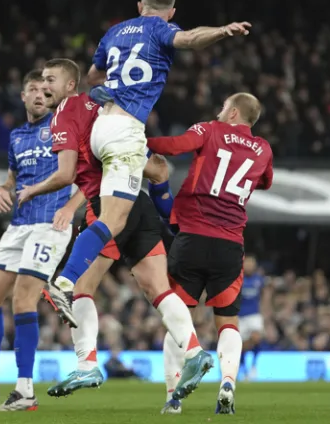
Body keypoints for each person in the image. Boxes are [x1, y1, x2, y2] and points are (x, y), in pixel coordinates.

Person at [47, 0, 250, 310]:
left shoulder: (115, 32)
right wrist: (223, 31)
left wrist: (109, 88)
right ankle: (65, 281)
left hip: (102, 125)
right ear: (170, 13)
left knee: (156, 169)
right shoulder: (161, 30)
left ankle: (178, 232)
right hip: (124, 129)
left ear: (139, 6)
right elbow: (190, 40)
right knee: (113, 219)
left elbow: (94, 77)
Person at [18, 58, 208, 402]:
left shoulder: (65, 114)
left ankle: (87, 363)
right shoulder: (109, 112)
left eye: (51, 80)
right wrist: (171, 220)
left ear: (71, 85)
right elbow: (159, 170)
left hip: (107, 206)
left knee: (81, 289)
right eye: (41, 80)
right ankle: (195, 352)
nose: (44, 86)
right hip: (140, 203)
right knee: (159, 290)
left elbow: (65, 174)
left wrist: (31, 190)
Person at [0, 70, 78, 412]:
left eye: (44, 90)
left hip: (50, 223)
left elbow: (83, 175)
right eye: (32, 90)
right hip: (19, 225)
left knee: (23, 300)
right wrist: (0, 189)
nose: (39, 94)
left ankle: (25, 391)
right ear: (22, 96)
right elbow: (11, 179)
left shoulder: (63, 127)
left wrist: (71, 207)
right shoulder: (18, 135)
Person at [146, 93, 273, 415]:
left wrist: (138, 140)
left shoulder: (210, 129)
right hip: (230, 246)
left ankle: (173, 399)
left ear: (231, 112)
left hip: (192, 239)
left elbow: (174, 146)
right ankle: (227, 384)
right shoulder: (264, 148)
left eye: (222, 107)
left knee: (178, 320)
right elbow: (266, 182)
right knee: (228, 322)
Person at [237, 255, 265, 381]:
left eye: (251, 263)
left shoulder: (259, 280)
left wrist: (265, 312)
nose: (249, 266)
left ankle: (254, 364)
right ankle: (243, 366)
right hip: (240, 315)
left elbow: (264, 296)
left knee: (257, 337)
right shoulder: (238, 279)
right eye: (247, 263)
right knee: (240, 345)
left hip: (254, 314)